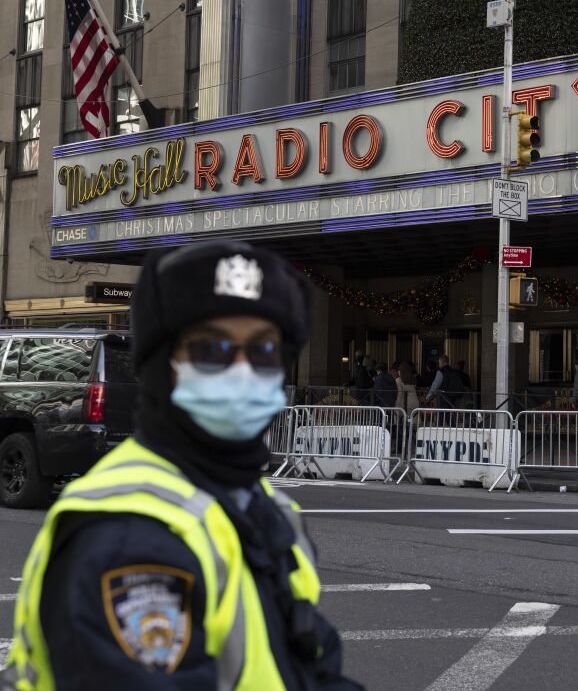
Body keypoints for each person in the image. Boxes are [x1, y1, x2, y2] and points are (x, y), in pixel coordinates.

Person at [2, 240, 362, 690]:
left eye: (264, 349)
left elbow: (310, 663)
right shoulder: (128, 535)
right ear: (160, 365)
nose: (243, 370)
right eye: (212, 348)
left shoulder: (256, 501)